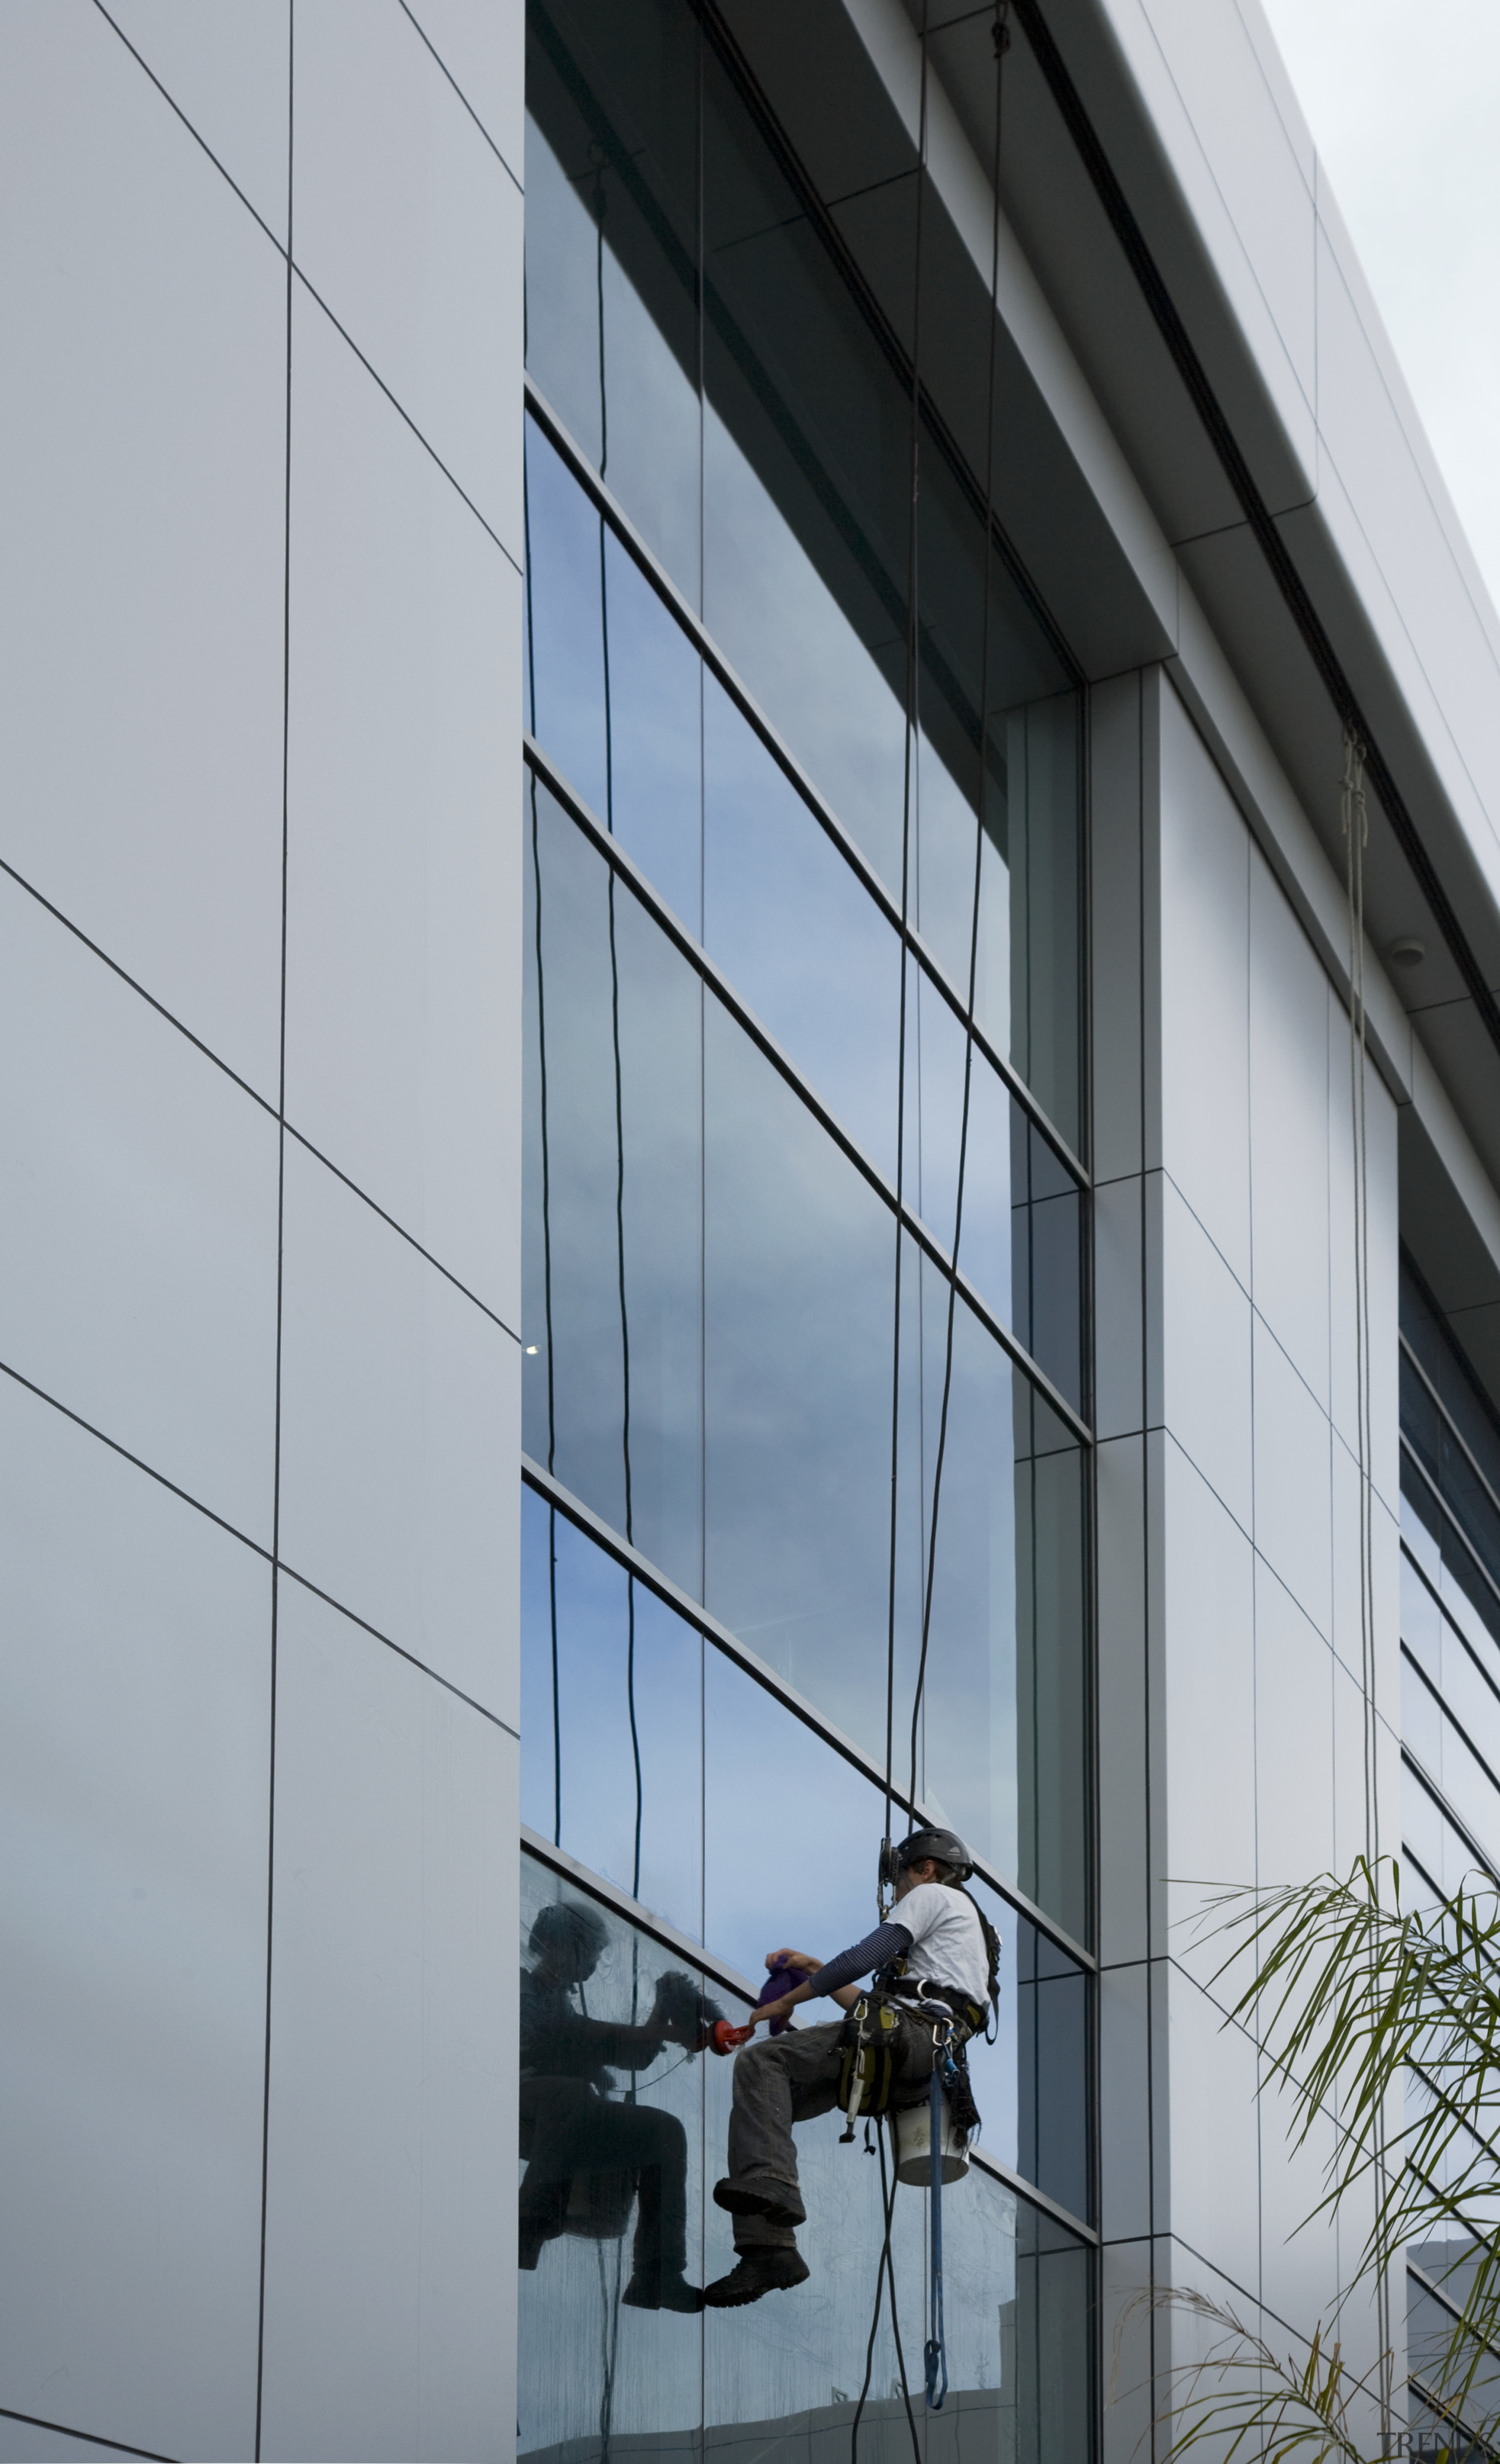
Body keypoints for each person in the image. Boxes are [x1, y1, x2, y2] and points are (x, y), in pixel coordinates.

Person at [703, 1827, 998, 2309]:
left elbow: (862, 1958)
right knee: (768, 2102)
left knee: (762, 2060)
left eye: (898, 1881)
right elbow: (874, 2003)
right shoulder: (969, 1936)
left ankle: (774, 2185)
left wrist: (787, 2002)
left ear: (925, 1869)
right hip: (919, 2056)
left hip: (908, 2036)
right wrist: (813, 1969)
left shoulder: (933, 1895)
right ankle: (770, 2251)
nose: (897, 1894)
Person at [519, 1899, 704, 2313]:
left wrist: (662, 2010)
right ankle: (530, 2221)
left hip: (560, 2117)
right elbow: (562, 2033)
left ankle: (658, 2275)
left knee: (664, 2131)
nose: (593, 1962)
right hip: (515, 2102)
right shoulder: (521, 1986)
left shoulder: (560, 2001)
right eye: (589, 1950)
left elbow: (630, 2055)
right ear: (554, 1943)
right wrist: (662, 2032)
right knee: (571, 2094)